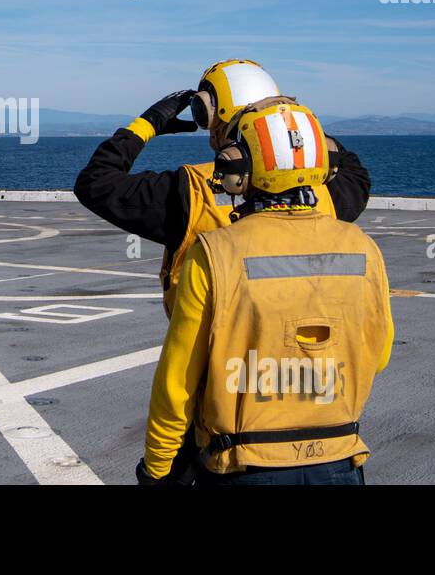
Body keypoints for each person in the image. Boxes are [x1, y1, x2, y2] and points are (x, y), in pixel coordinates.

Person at [135, 101, 393, 485]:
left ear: (237, 169)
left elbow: (178, 383)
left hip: (243, 464)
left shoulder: (214, 253)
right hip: (340, 461)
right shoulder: (363, 247)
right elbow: (379, 354)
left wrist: (157, 468)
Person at [74, 59, 371, 318]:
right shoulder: (328, 192)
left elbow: (95, 183)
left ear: (209, 114)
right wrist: (288, 123)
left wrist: (148, 123)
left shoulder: (191, 192)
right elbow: (355, 171)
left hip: (220, 372)